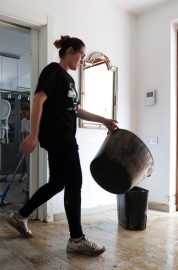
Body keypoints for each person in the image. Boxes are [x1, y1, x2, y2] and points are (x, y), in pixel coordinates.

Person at [7, 35, 118, 256]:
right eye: (81, 55)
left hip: (65, 137)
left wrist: (103, 119)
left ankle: (19, 217)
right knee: (74, 182)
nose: (82, 60)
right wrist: (33, 134)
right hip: (59, 138)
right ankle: (76, 239)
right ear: (70, 51)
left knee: (57, 183)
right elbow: (38, 99)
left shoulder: (70, 81)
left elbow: (76, 110)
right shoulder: (53, 71)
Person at [18, 105, 30, 182]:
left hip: (34, 141)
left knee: (30, 161)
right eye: (22, 113)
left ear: (29, 111)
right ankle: (23, 174)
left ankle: (30, 176)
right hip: (27, 141)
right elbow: (24, 133)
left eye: (24, 113)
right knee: (25, 159)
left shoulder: (34, 119)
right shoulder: (23, 121)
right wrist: (23, 143)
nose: (23, 115)